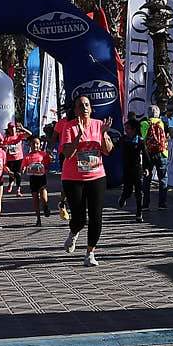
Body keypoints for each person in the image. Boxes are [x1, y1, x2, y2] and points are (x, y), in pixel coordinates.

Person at [56, 92, 111, 265]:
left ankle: (90, 253)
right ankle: (73, 232)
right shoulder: (69, 127)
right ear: (76, 110)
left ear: (91, 109)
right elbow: (67, 154)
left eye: (87, 105)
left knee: (96, 216)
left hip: (96, 176)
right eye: (81, 105)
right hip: (73, 178)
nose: (84, 108)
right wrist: (79, 136)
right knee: (79, 218)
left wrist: (103, 134)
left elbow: (108, 150)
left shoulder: (98, 125)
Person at [140, 108, 170, 211]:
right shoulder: (162, 122)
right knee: (163, 179)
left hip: (148, 154)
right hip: (162, 153)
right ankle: (162, 204)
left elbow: (142, 139)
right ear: (158, 113)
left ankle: (145, 204)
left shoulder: (144, 123)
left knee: (146, 179)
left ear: (148, 114)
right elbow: (167, 135)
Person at [117, 113, 144, 219]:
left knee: (139, 192)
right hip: (127, 169)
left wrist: (147, 168)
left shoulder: (140, 140)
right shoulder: (123, 139)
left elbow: (145, 155)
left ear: (133, 130)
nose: (126, 130)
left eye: (127, 128)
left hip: (137, 169)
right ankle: (123, 198)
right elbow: (114, 148)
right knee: (128, 191)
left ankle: (139, 213)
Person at [22, 137, 52, 225]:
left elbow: (48, 164)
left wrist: (49, 160)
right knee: (35, 198)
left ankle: (45, 206)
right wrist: (23, 169)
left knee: (43, 195)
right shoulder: (27, 156)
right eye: (33, 144)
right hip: (33, 178)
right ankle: (38, 218)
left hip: (42, 177)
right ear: (30, 145)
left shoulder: (43, 154)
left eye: (37, 143)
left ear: (40, 145)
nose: (35, 145)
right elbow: (23, 166)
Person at [3, 120, 28, 193]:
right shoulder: (7, 138)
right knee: (12, 173)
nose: (12, 129)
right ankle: (10, 183)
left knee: (18, 174)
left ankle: (18, 189)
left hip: (19, 157)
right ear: (9, 129)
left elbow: (30, 134)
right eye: (11, 128)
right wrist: (5, 149)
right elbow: (4, 148)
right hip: (10, 158)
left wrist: (22, 128)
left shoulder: (19, 135)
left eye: (13, 128)